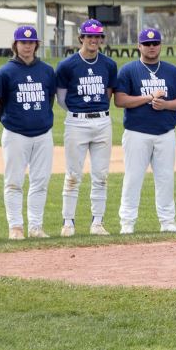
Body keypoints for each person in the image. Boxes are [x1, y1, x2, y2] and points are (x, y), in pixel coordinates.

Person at [114, 28, 176, 234]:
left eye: (155, 43)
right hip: (136, 133)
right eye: (146, 44)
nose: (151, 47)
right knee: (133, 177)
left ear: (160, 45)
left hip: (165, 133)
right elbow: (119, 100)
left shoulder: (172, 71)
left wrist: (166, 105)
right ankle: (127, 223)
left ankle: (167, 222)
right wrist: (148, 98)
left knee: (166, 178)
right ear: (139, 46)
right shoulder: (129, 70)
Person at [56, 19, 117, 237]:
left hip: (102, 121)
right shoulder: (67, 65)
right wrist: (78, 111)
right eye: (89, 36)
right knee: (73, 174)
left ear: (101, 39)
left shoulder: (109, 64)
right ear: (81, 38)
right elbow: (61, 99)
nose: (93, 40)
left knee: (101, 175)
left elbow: (108, 93)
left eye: (97, 36)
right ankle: (68, 222)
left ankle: (97, 222)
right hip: (77, 122)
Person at [0, 26, 56, 240]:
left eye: (31, 42)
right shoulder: (5, 72)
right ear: (15, 45)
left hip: (43, 133)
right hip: (16, 133)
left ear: (36, 45)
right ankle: (16, 227)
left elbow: (48, 99)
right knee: (13, 181)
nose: (27, 45)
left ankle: (35, 226)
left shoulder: (47, 71)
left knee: (40, 181)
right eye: (23, 42)